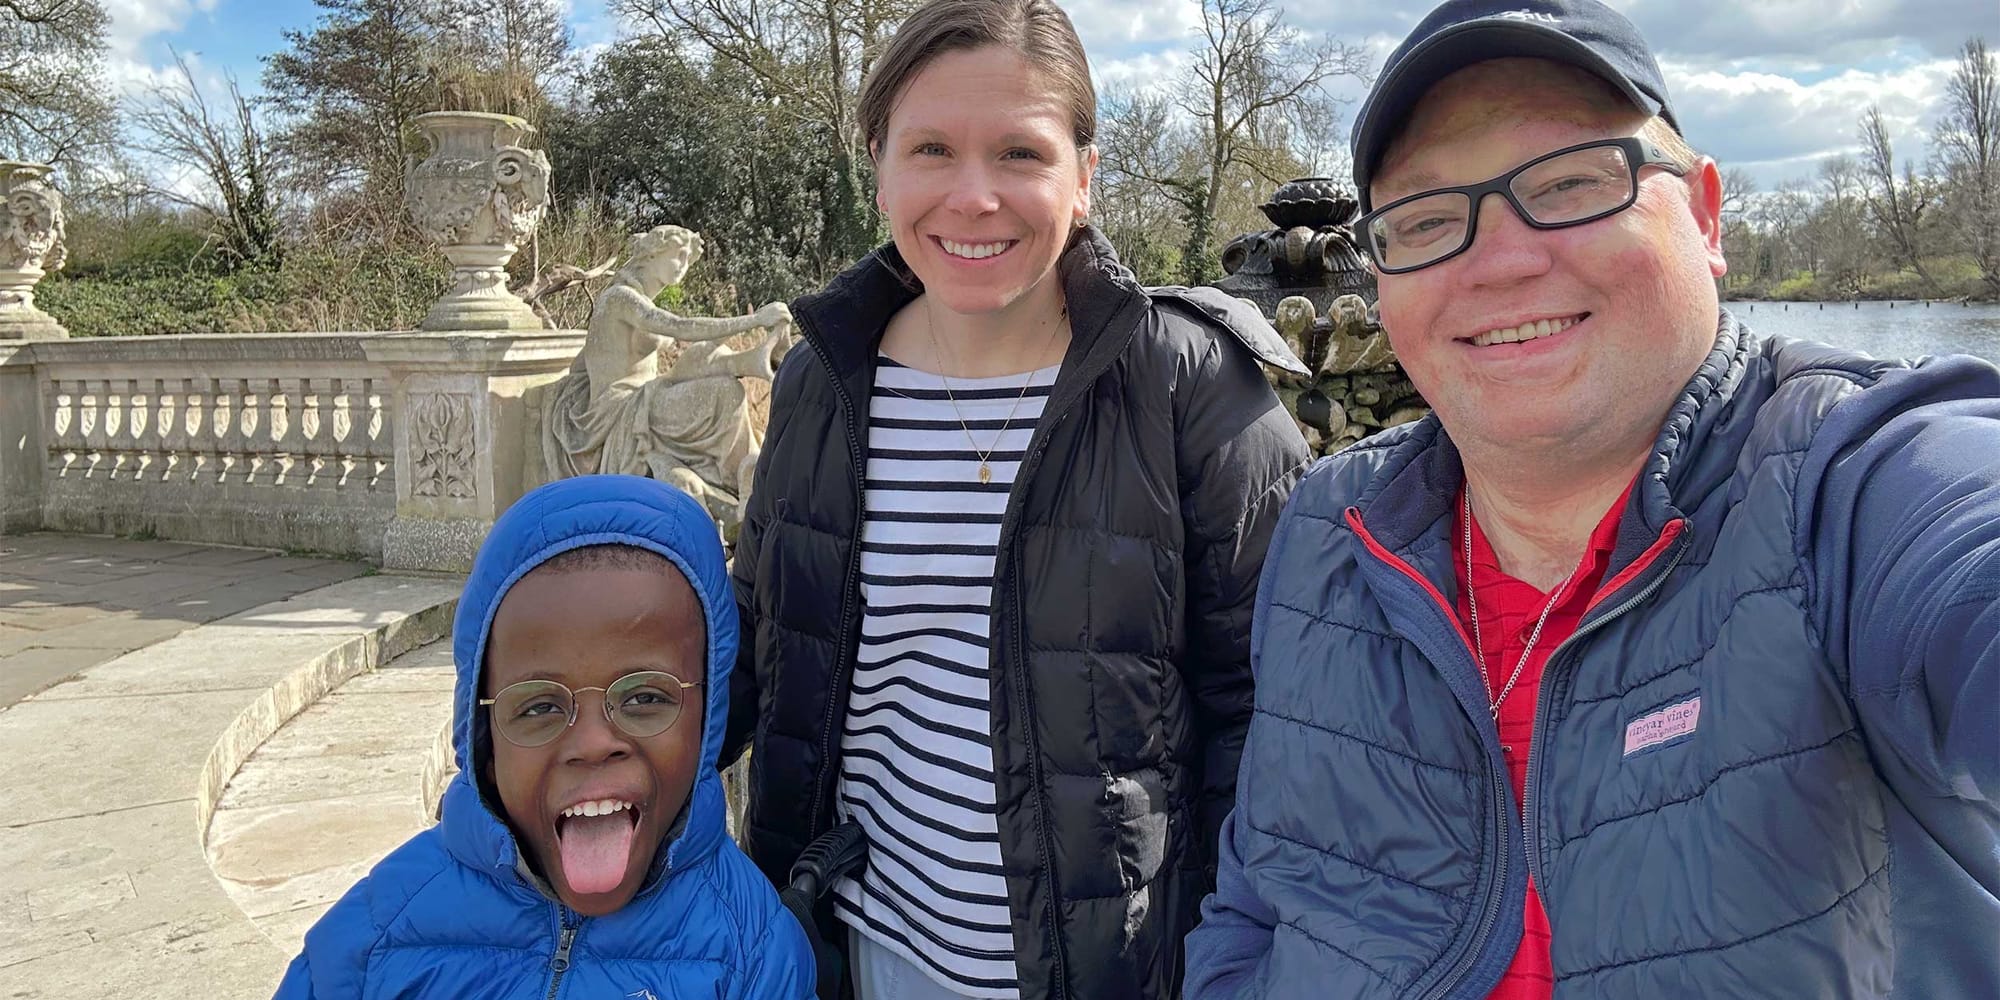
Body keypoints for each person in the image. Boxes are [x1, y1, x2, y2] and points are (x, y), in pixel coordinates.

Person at [1184, 1, 2000, 997]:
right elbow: (1261, 893)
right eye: (1427, 220)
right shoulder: (1328, 528)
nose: (1501, 259)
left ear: (1705, 216)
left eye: (1571, 182)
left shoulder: (1850, 480)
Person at [723, 0, 1312, 997]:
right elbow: (765, 645)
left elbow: (1279, 711)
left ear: (1083, 175)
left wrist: (1225, 961)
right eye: (930, 150)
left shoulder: (1189, 385)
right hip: (855, 950)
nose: (972, 195)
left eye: (1018, 155)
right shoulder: (822, 381)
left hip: (1118, 971)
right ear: (877, 164)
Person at [275, 475, 813, 998]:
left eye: (646, 698)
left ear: (707, 715)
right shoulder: (371, 941)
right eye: (539, 706)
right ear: (483, 740)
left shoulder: (754, 951)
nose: (595, 741)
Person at [543, 225, 794, 526]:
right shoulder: (620, 298)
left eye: (688, 258)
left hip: (647, 396)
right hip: (622, 410)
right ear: (651, 255)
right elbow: (679, 326)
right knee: (722, 394)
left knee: (722, 387)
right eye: (678, 256)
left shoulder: (638, 300)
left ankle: (743, 475)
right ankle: (740, 478)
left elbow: (582, 364)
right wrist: (753, 320)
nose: (683, 265)